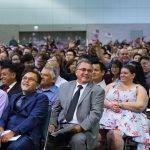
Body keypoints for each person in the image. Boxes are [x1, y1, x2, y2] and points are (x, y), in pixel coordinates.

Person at [47, 58, 104, 150]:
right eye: (83, 70)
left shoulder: (97, 90)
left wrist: (80, 127)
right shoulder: (65, 86)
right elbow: (55, 108)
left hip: (84, 129)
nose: (86, 73)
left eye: (89, 71)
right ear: (76, 72)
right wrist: (52, 123)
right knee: (46, 137)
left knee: (77, 139)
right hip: (62, 126)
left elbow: (96, 114)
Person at [99, 64, 150, 150]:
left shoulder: (139, 88)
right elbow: (99, 99)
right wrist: (110, 105)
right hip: (107, 114)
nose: (122, 75)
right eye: (121, 73)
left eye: (125, 73)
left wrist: (120, 104)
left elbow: (140, 105)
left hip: (129, 118)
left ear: (133, 75)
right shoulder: (112, 85)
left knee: (115, 134)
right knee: (97, 133)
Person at [0, 70, 49, 150]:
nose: (26, 81)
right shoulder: (14, 96)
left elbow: (33, 119)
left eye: (31, 79)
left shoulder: (41, 98)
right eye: (24, 78)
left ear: (37, 85)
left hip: (27, 135)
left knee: (15, 148)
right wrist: (1, 126)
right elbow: (5, 115)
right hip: (7, 132)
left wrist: (13, 132)